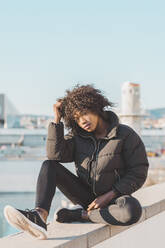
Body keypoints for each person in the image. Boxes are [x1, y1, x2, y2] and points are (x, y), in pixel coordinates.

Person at [4, 84, 149, 240]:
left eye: (85, 113)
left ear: (96, 107)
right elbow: (55, 155)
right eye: (77, 118)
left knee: (132, 211)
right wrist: (57, 120)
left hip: (114, 198)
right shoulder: (78, 137)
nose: (82, 121)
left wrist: (109, 195)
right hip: (85, 196)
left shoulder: (125, 135)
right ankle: (39, 215)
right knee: (49, 165)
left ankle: (81, 215)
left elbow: (139, 171)